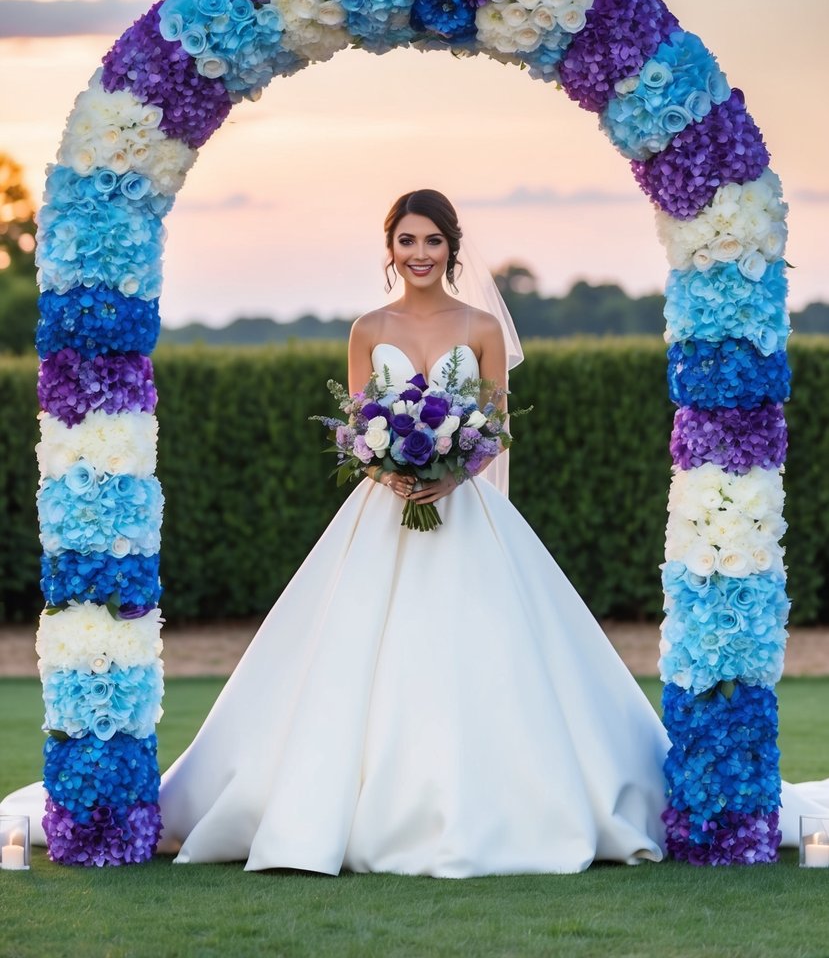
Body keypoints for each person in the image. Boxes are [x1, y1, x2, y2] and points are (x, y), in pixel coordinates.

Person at [3, 189, 827, 873]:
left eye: (432, 239)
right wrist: (386, 467)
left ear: (451, 247)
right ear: (389, 247)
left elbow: (499, 425)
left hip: (466, 507)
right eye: (407, 239)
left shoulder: (479, 328)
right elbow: (354, 423)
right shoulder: (368, 328)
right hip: (381, 511)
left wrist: (448, 470)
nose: (420, 251)